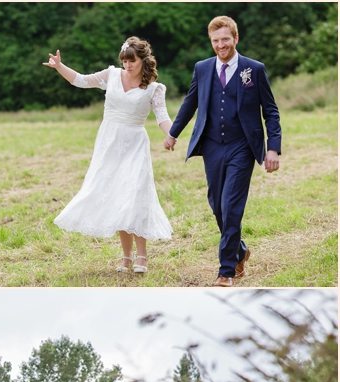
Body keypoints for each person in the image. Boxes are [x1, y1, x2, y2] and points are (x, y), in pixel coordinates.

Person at [164, 16, 281, 287]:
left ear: (235, 39)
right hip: (212, 146)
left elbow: (271, 111)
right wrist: (173, 133)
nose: (220, 45)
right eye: (216, 41)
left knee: (231, 207)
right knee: (217, 205)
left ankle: (226, 270)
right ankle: (239, 251)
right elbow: (190, 102)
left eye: (225, 39)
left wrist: (273, 147)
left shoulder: (255, 69)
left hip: (243, 146)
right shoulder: (202, 69)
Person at [43, 37, 173, 275]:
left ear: (143, 60)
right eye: (124, 60)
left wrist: (171, 135)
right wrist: (60, 66)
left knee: (135, 196)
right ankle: (125, 257)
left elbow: (162, 117)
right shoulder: (112, 75)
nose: (127, 65)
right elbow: (81, 80)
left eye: (132, 61)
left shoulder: (154, 89)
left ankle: (142, 256)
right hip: (109, 144)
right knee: (117, 197)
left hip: (135, 144)